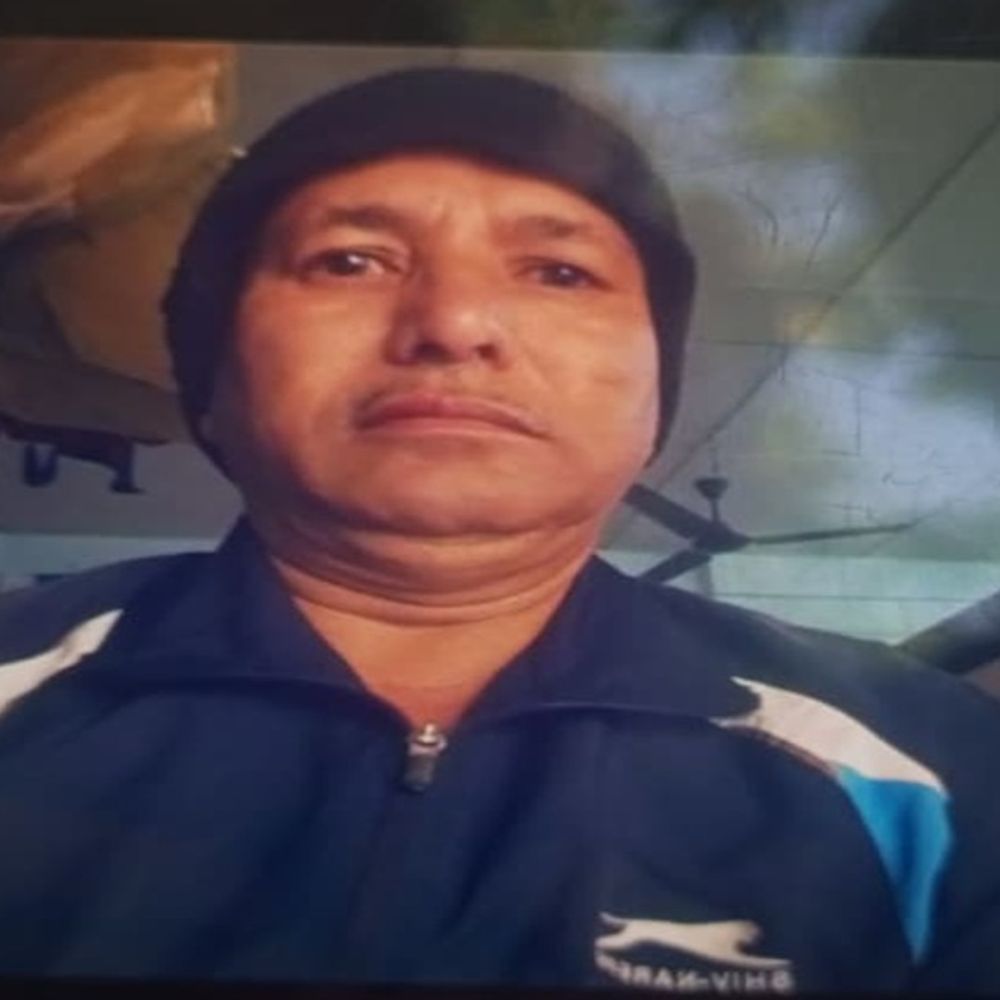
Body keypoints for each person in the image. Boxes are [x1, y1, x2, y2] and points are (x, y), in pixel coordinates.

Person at [0, 66, 998, 994]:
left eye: (559, 272)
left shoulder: (936, 768)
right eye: (350, 261)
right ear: (213, 379)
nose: (454, 323)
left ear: (655, 387)